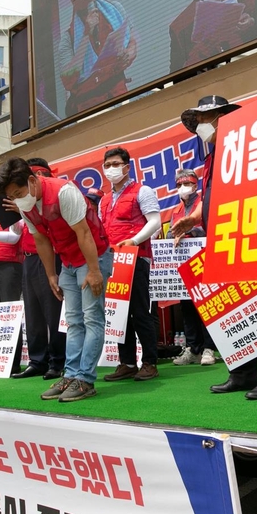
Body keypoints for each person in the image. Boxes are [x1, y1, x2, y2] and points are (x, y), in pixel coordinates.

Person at [174, 95, 257, 400]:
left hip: (246, 237)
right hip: (221, 241)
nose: (202, 125)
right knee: (232, 309)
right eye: (199, 120)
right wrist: (193, 219)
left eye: (207, 118)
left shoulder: (248, 148)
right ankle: (242, 371)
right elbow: (214, 196)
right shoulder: (211, 156)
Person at [0, 157, 112, 403]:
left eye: (18, 192)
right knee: (74, 321)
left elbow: (84, 232)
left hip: (92, 257)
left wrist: (94, 271)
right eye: (11, 197)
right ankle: (71, 375)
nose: (16, 200)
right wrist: (50, 274)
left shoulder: (63, 192)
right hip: (67, 261)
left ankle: (86, 380)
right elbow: (41, 240)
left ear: (33, 181)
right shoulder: (25, 205)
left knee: (92, 318)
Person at [99, 147, 163, 383]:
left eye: (116, 164)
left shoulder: (142, 191)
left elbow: (155, 222)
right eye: (107, 165)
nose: (111, 169)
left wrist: (134, 240)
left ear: (127, 166)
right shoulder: (105, 200)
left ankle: (149, 362)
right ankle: (126, 362)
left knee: (140, 311)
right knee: (118, 313)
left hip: (136, 257)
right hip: (112, 260)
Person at [60, 0, 138, 117]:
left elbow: (132, 41)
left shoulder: (114, 9)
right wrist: (86, 33)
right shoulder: (68, 37)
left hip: (119, 93)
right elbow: (68, 79)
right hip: (88, 106)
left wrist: (129, 54)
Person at [11, 158, 66, 382]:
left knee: (54, 312)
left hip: (51, 256)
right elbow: (15, 231)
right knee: (32, 313)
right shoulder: (24, 204)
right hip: (29, 258)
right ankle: (37, 360)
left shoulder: (54, 197)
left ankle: (58, 361)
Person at [165, 168, 217, 366]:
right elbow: (170, 233)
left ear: (196, 185)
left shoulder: (202, 204)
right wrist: (175, 235)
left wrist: (191, 231)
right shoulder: (176, 211)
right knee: (187, 306)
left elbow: (209, 227)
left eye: (186, 184)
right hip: (183, 264)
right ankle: (193, 348)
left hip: (203, 262)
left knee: (206, 305)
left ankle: (208, 348)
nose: (182, 188)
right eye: (179, 185)